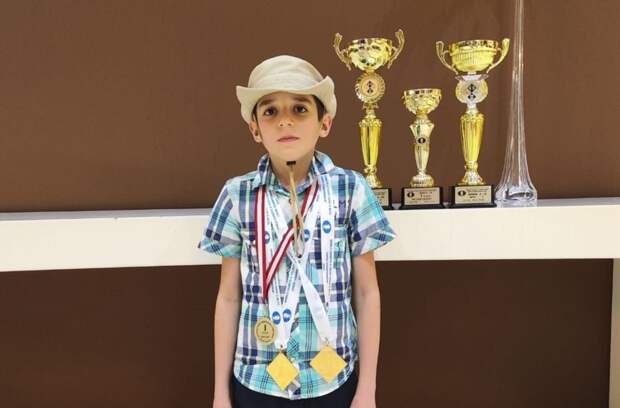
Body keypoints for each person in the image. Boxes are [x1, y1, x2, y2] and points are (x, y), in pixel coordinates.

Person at [198, 55, 396, 408]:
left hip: (333, 381)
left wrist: (367, 389)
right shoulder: (237, 195)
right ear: (255, 129)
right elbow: (228, 297)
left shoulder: (351, 190)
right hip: (258, 380)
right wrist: (220, 394)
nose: (285, 120)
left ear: (325, 123)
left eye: (300, 109)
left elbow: (367, 293)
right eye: (270, 111)